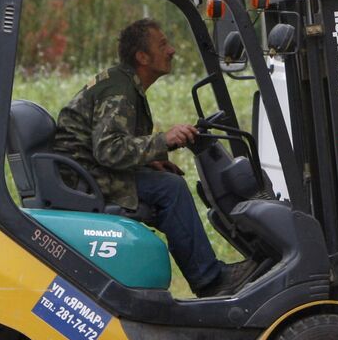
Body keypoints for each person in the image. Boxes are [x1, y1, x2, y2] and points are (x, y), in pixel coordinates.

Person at [52, 18, 252, 298]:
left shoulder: (123, 84)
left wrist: (149, 160)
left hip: (87, 171)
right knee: (171, 189)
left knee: (166, 181)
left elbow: (107, 144)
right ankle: (210, 281)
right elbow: (108, 149)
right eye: (163, 45)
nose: (172, 50)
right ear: (142, 57)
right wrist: (163, 140)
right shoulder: (119, 90)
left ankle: (207, 275)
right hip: (84, 179)